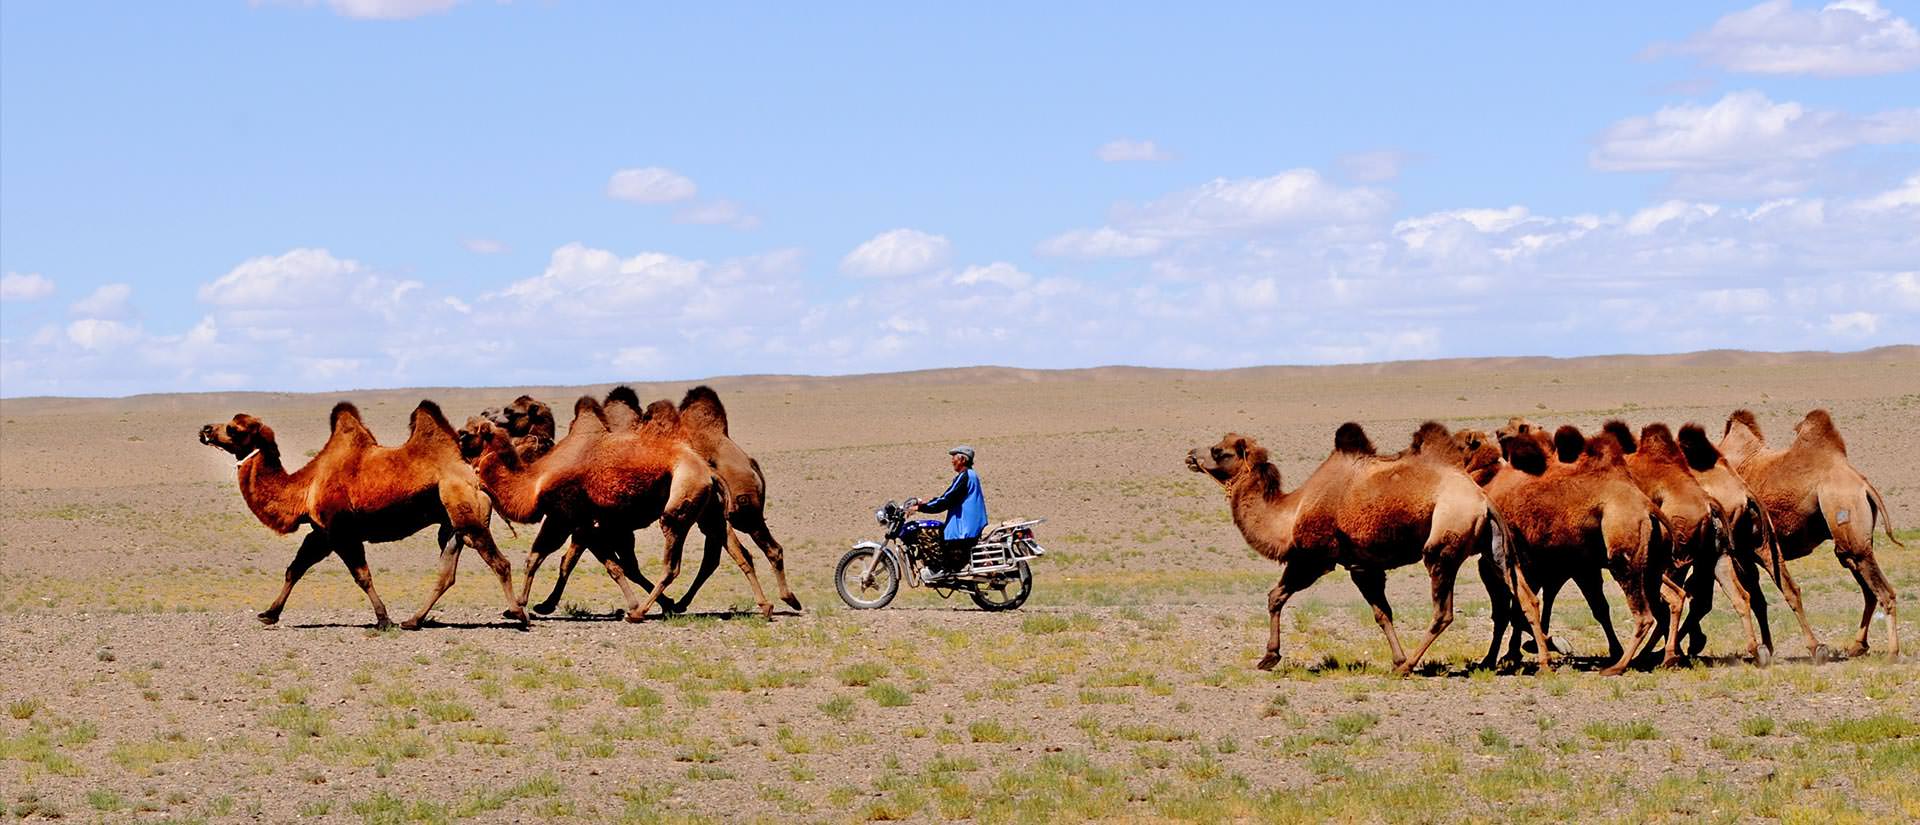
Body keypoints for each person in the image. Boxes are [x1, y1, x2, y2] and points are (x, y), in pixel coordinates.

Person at [908, 445, 987, 578]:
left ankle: (938, 569)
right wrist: (925, 503)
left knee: (924, 532)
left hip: (964, 530)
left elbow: (946, 500)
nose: (952, 461)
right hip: (968, 526)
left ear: (962, 459)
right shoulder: (971, 475)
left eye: (954, 458)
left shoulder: (965, 476)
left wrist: (920, 508)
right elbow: (948, 497)